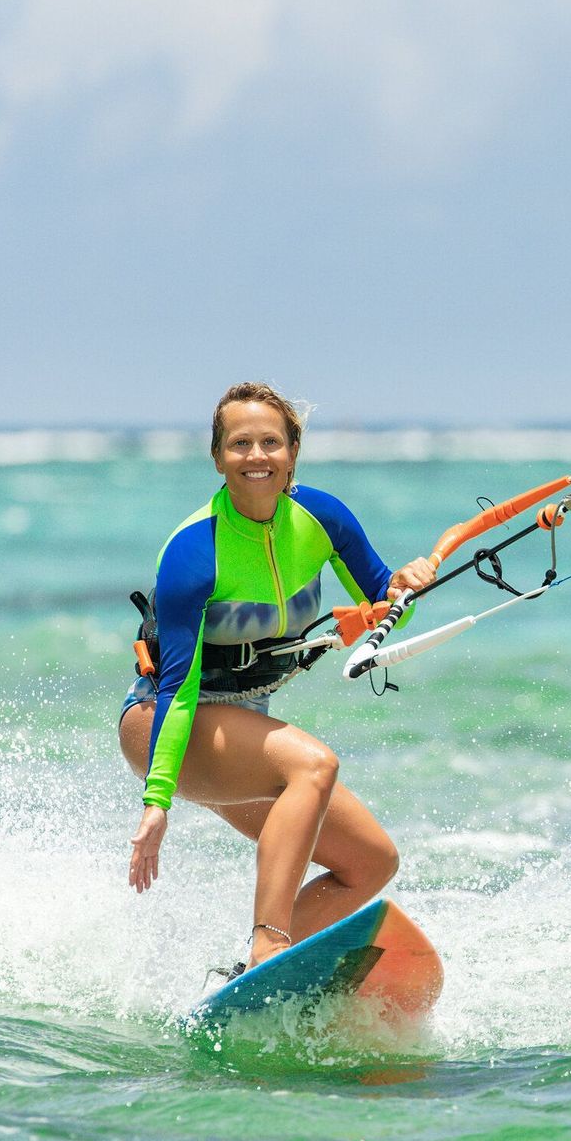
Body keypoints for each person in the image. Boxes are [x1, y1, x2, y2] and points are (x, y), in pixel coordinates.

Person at [118, 383, 435, 970]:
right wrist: (157, 801)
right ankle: (270, 943)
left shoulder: (322, 518)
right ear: (217, 457)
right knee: (313, 765)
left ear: (292, 451)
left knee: (369, 864)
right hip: (165, 725)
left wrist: (406, 588)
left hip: (242, 731)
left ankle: (247, 974)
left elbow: (385, 606)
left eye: (271, 442)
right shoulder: (195, 552)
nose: (257, 456)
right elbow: (177, 687)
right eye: (240, 444)